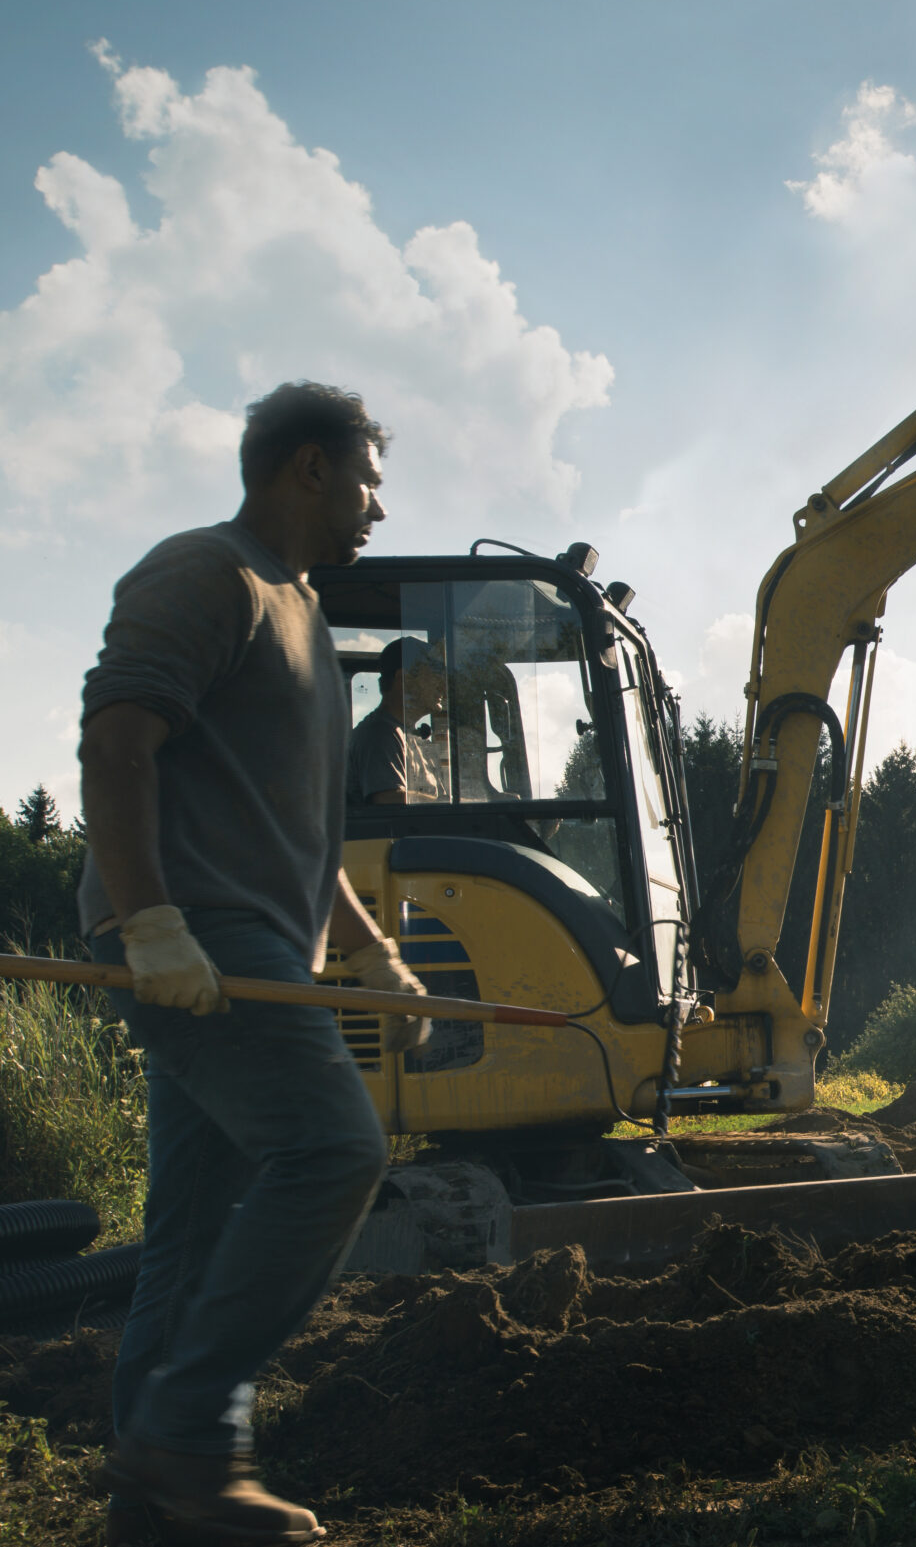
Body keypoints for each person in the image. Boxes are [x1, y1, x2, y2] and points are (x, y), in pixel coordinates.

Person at [77, 381, 436, 1545]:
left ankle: (150, 1508)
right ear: (311, 467)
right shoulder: (208, 574)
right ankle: (188, 1438)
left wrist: (375, 951)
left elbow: (301, 830)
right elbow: (117, 738)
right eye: (371, 479)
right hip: (196, 938)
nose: (378, 507)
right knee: (335, 1149)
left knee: (187, 1238)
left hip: (252, 949)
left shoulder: (308, 623)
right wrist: (149, 923)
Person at [347, 635, 448, 804]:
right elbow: (388, 799)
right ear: (404, 678)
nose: (443, 686)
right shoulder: (379, 734)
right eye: (434, 676)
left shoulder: (407, 735)